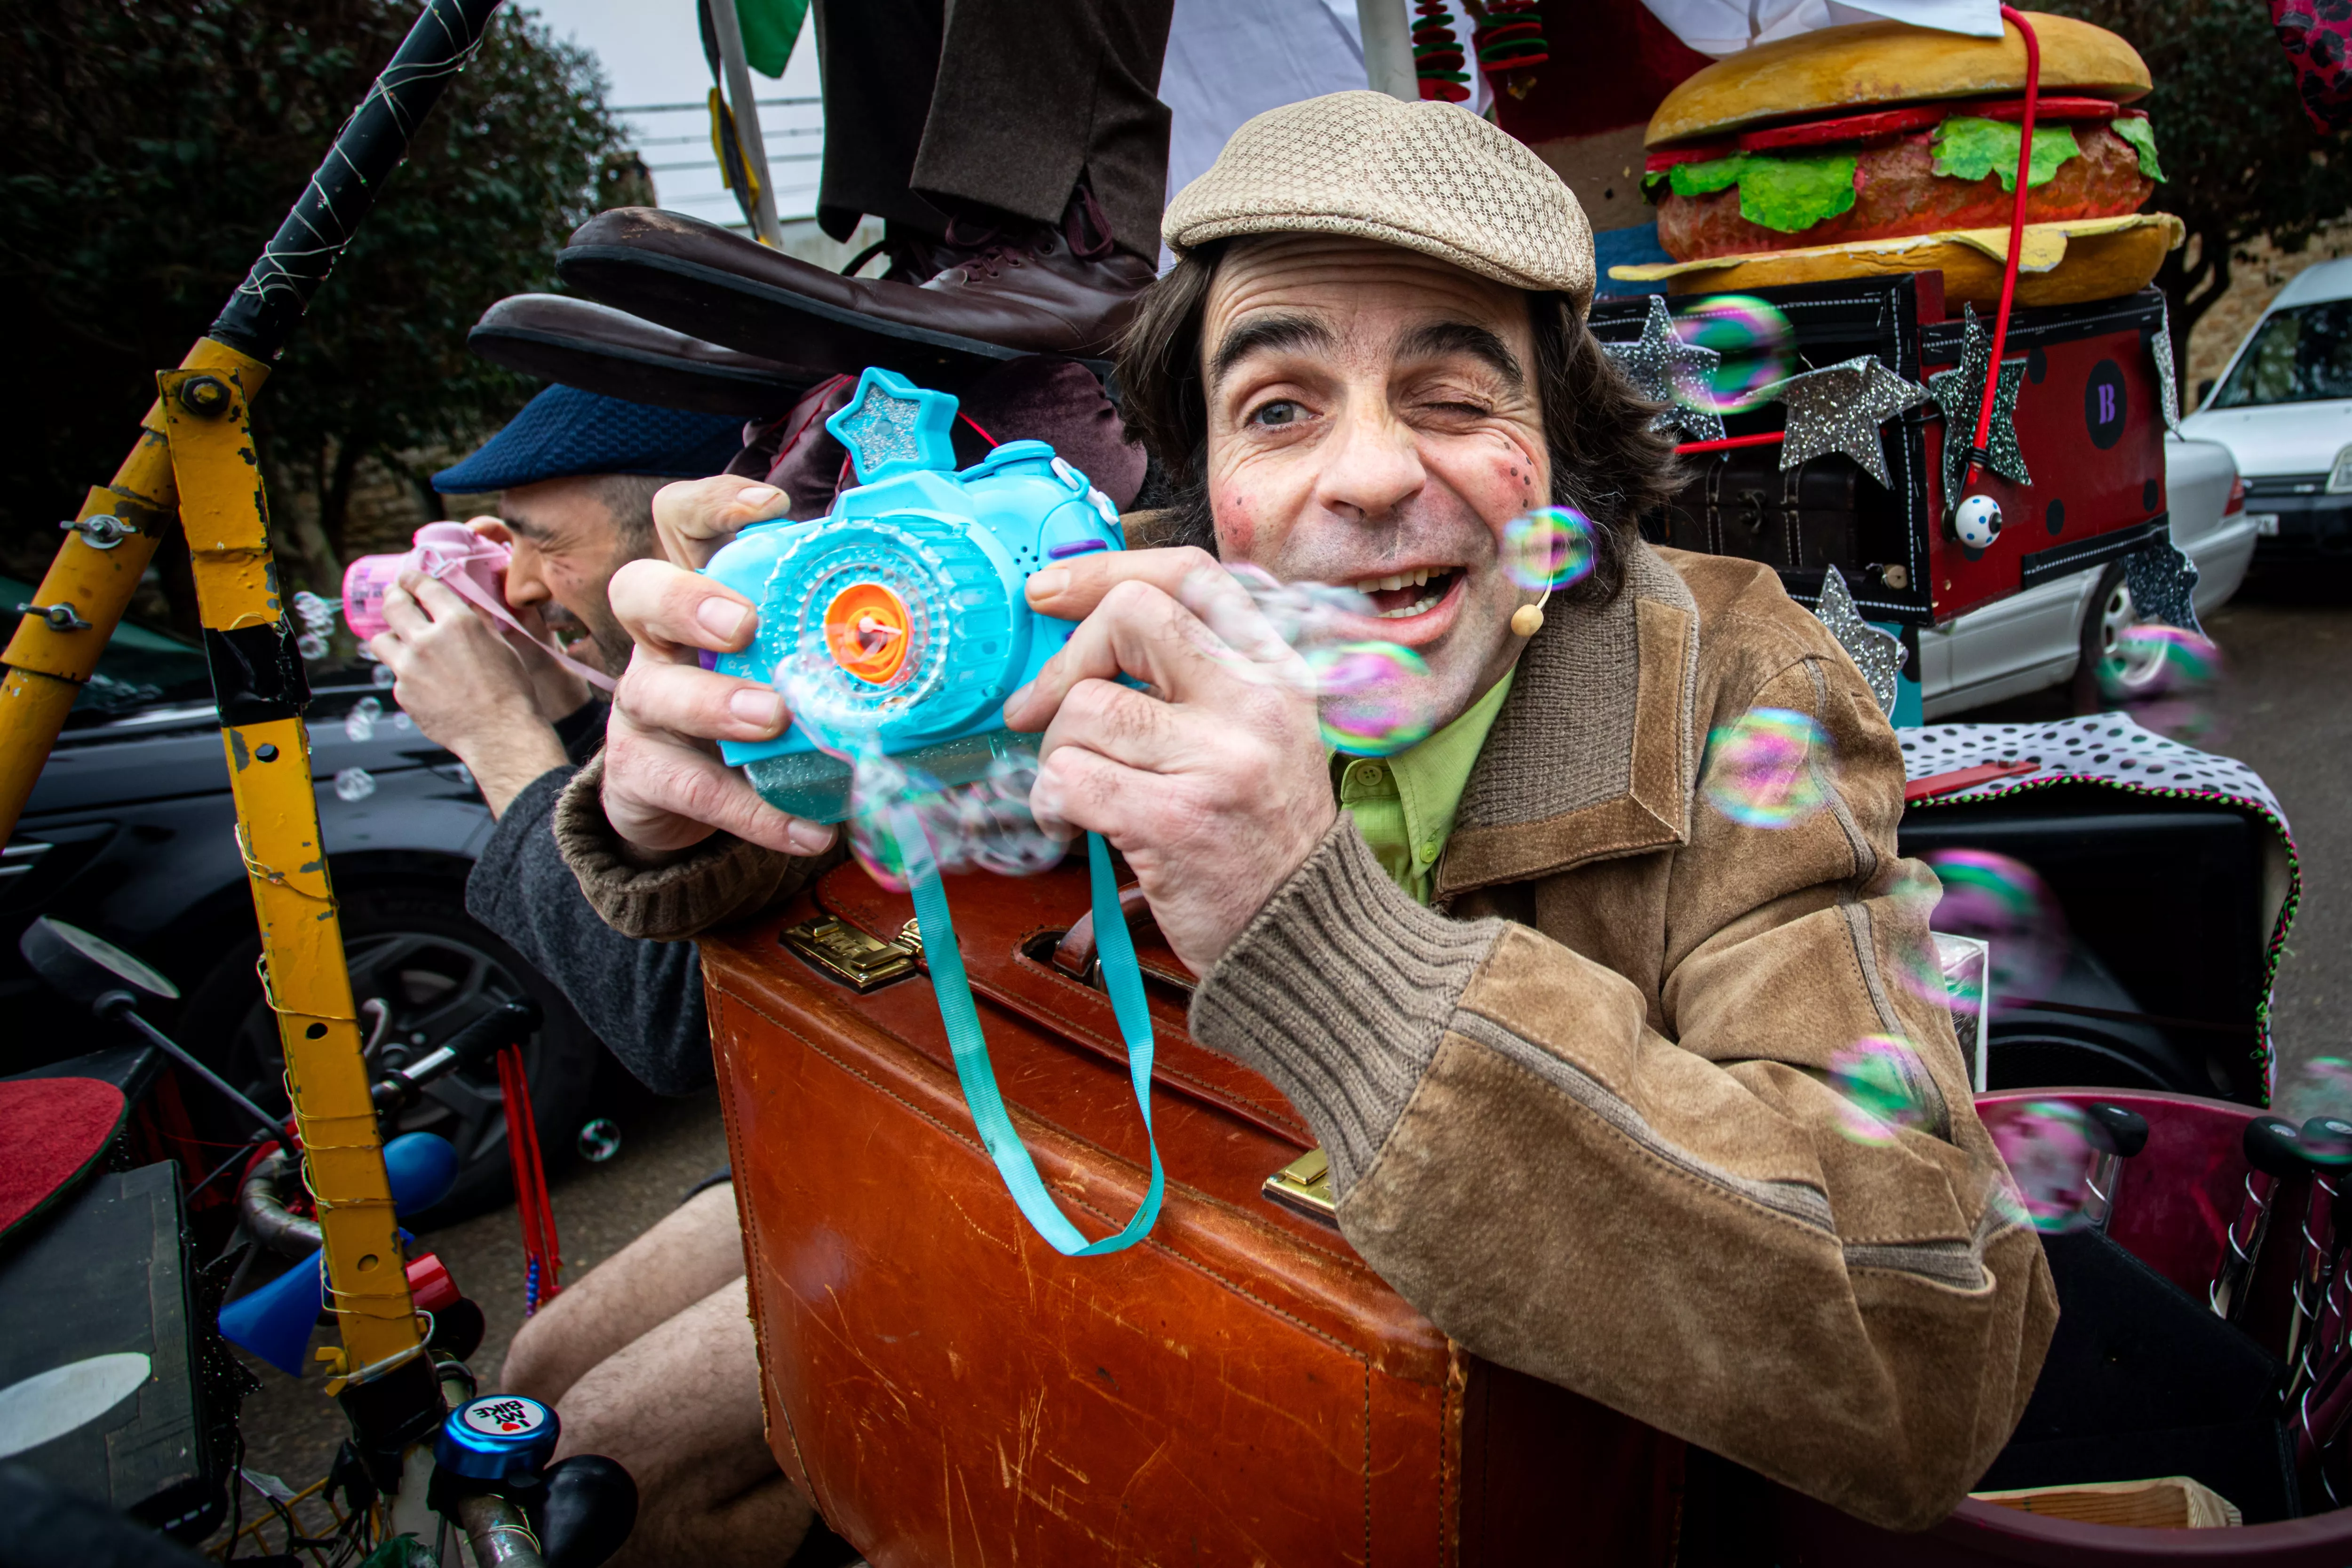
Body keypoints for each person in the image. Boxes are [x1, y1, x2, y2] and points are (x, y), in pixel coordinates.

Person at [550, 93, 2055, 1533]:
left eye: (1456, 396)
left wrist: (1313, 917)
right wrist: (702, 790)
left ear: (1571, 456)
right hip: (1118, 1240)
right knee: (553, 1391)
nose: (1372, 473)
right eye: (1279, 406)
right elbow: (859, 853)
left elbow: (1933, 1345)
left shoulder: (1735, 678)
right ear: (1205, 487)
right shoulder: (1080, 604)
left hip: (1431, 1437)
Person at [367, 382, 828, 1567]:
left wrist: (499, 741)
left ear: (677, 534)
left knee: (601, 1472)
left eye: (542, 543)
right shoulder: (666, 679)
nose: (518, 585)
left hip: (945, 1160)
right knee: (537, 1367)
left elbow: (663, 1027)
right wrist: (571, 726)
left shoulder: (801, 670)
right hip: (819, 1139)